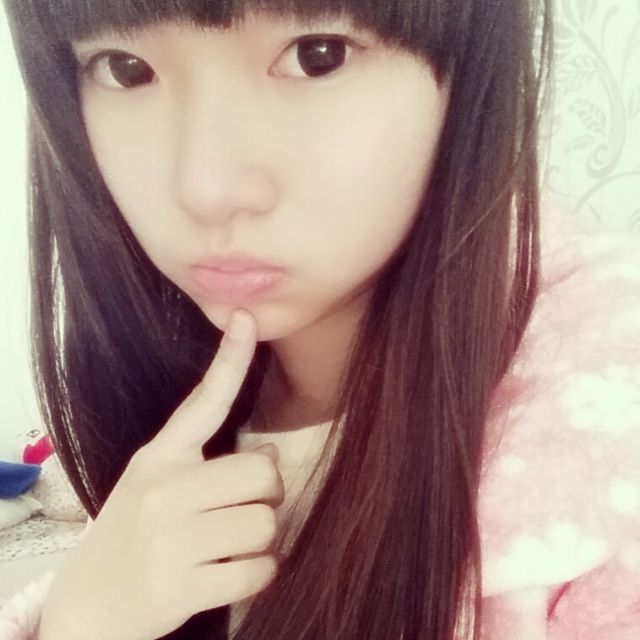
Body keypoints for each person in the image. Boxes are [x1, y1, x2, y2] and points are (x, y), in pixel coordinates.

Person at [0, 0, 639, 638]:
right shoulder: (171, 401)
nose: (206, 189)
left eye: (317, 56)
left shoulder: (610, 485)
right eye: (126, 69)